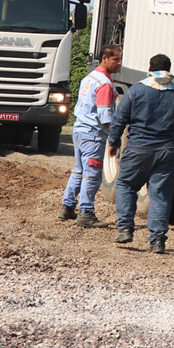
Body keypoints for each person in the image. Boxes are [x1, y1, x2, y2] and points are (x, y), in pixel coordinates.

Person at [107, 53, 174, 254]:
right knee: (161, 195)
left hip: (138, 148)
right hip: (167, 151)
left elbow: (120, 119)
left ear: (150, 67)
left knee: (126, 185)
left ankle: (126, 229)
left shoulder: (136, 91)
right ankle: (157, 241)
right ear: (169, 70)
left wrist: (113, 142)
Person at [61, 44, 123, 227]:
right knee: (92, 174)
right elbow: (105, 115)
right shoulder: (104, 83)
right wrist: (114, 136)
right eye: (116, 59)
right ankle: (86, 212)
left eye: (120, 59)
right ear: (105, 58)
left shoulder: (90, 78)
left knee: (79, 169)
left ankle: (68, 206)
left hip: (80, 129)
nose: (119, 63)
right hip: (93, 133)